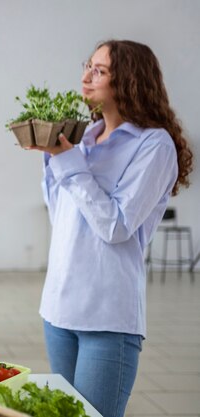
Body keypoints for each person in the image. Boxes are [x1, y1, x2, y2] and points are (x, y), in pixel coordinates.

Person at [27, 40, 193, 417]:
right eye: (87, 65)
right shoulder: (83, 138)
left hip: (107, 316)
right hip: (58, 308)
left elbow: (116, 226)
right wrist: (52, 159)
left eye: (99, 71)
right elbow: (63, 220)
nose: (85, 77)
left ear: (130, 82)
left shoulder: (154, 145)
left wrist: (68, 162)